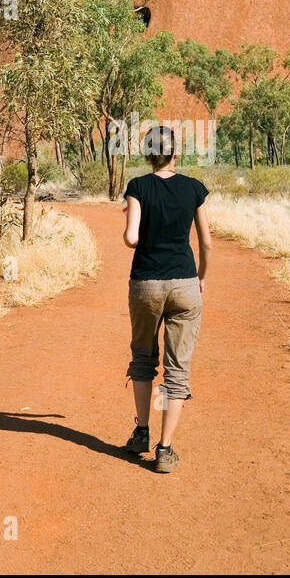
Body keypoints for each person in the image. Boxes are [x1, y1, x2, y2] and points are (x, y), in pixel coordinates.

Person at [121, 125, 212, 473]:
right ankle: (165, 450)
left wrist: (129, 225)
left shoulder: (138, 187)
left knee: (143, 359)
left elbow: (131, 238)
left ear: (147, 155)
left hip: (146, 282)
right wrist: (202, 276)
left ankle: (141, 432)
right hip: (186, 284)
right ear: (176, 154)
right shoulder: (194, 188)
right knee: (178, 369)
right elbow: (206, 242)